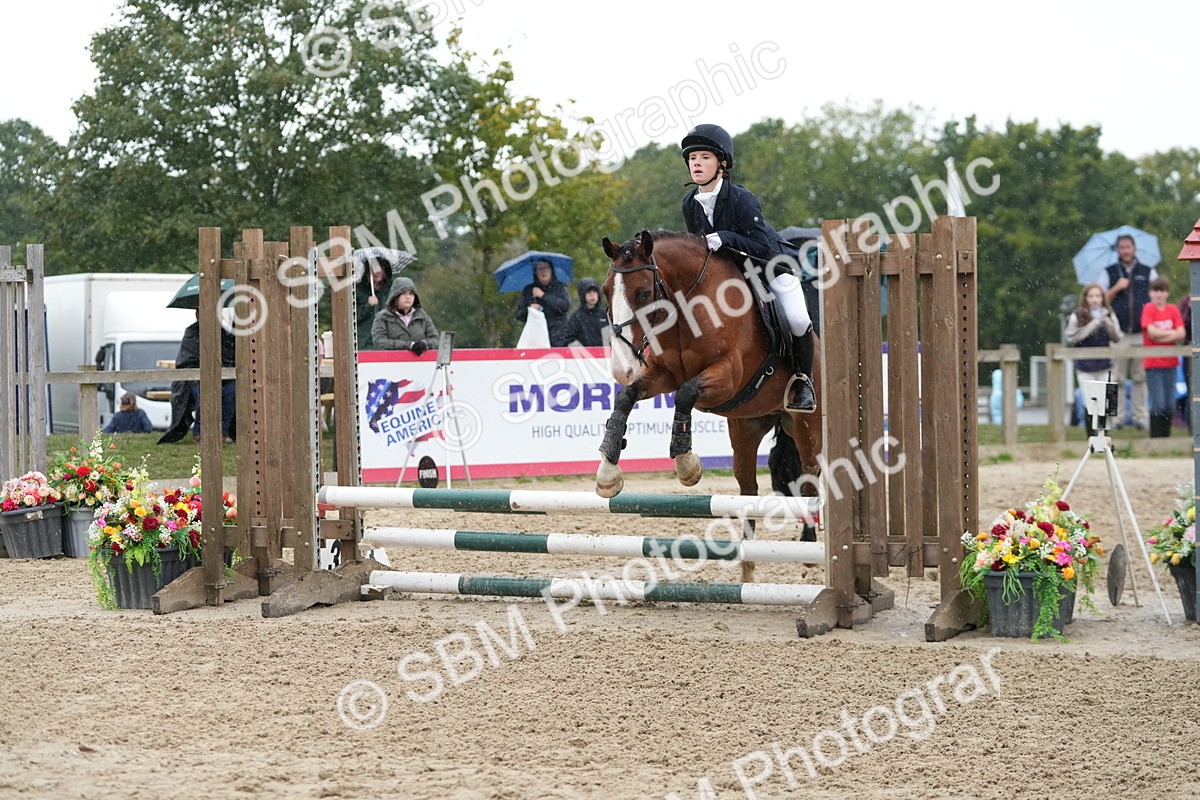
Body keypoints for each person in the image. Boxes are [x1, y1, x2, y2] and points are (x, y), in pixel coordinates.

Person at [679, 123, 815, 412]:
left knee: (798, 320)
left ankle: (803, 381)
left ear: (722, 163)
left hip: (770, 267)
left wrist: (726, 237)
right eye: (692, 159)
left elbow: (761, 246)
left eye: (704, 157)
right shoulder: (690, 203)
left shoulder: (741, 197)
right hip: (730, 278)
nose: (697, 164)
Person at [1098, 234, 1158, 429]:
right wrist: (1116, 288)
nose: (1125, 250)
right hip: (1119, 333)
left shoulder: (1148, 271)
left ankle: (1141, 418)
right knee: (1116, 378)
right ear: (1117, 250)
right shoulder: (1109, 272)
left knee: (1141, 377)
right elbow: (1099, 300)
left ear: (1134, 248)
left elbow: (1158, 298)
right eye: (1122, 247)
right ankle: (1117, 419)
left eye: (1128, 246)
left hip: (1142, 332)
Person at [159, 311, 237, 444]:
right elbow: (188, 361)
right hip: (194, 381)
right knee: (206, 392)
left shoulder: (224, 333)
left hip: (223, 379)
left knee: (233, 391)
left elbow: (231, 356)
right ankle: (200, 433)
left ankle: (223, 432)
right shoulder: (192, 333)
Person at [1064, 283, 1122, 436]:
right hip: (1085, 365)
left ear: (1102, 298)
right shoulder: (1078, 314)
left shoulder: (1108, 313)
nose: (1095, 299)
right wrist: (1093, 324)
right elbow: (1071, 337)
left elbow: (1117, 337)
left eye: (1098, 296)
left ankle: (1105, 438)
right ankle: (1091, 437)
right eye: (1091, 296)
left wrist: (1107, 323)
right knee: (1090, 402)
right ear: (1086, 298)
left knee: (1106, 402)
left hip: (1104, 364)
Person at [1141, 276, 1185, 438]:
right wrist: (1171, 334)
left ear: (1167, 293)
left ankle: (1165, 438)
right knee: (1158, 404)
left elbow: (1181, 333)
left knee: (1169, 405)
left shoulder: (1173, 309)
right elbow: (1151, 333)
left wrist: (1163, 336)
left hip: (1171, 362)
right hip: (1153, 363)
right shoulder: (1149, 309)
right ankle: (1155, 438)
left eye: (1162, 290)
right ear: (1150, 293)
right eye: (1156, 290)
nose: (1159, 294)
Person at [371, 276, 439, 353]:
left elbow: (436, 340)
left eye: (411, 293)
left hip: (419, 363)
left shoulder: (422, 316)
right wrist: (409, 345)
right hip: (392, 363)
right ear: (395, 297)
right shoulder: (382, 317)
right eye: (403, 293)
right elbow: (379, 343)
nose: (408, 297)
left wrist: (425, 344)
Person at [515, 259, 571, 347]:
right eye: (539, 268)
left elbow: (564, 306)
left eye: (546, 268)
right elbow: (519, 314)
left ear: (551, 270)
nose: (543, 271)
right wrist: (530, 309)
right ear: (535, 272)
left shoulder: (560, 287)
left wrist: (543, 295)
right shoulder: (529, 290)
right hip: (536, 338)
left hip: (559, 338)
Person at [563, 277, 608, 348]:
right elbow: (567, 339)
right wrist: (583, 351)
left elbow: (610, 337)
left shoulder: (605, 314)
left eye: (594, 291)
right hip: (584, 357)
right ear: (583, 294)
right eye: (589, 292)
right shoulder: (576, 316)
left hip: (605, 356)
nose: (592, 294)